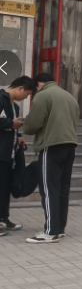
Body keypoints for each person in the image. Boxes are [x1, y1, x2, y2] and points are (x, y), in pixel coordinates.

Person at [23, 73, 80, 244]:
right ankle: (59, 228)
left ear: (39, 84)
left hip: (51, 146)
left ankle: (50, 231)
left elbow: (32, 125)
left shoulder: (43, 96)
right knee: (62, 189)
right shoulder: (70, 97)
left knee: (49, 189)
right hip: (70, 146)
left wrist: (24, 123)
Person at [0, 76, 35, 237]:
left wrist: (18, 135)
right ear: (20, 88)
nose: (26, 98)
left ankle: (4, 218)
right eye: (27, 94)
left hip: (9, 154)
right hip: (1, 153)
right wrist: (10, 124)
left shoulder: (14, 106)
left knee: (5, 188)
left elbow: (12, 126)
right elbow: (8, 123)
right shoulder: (1, 99)